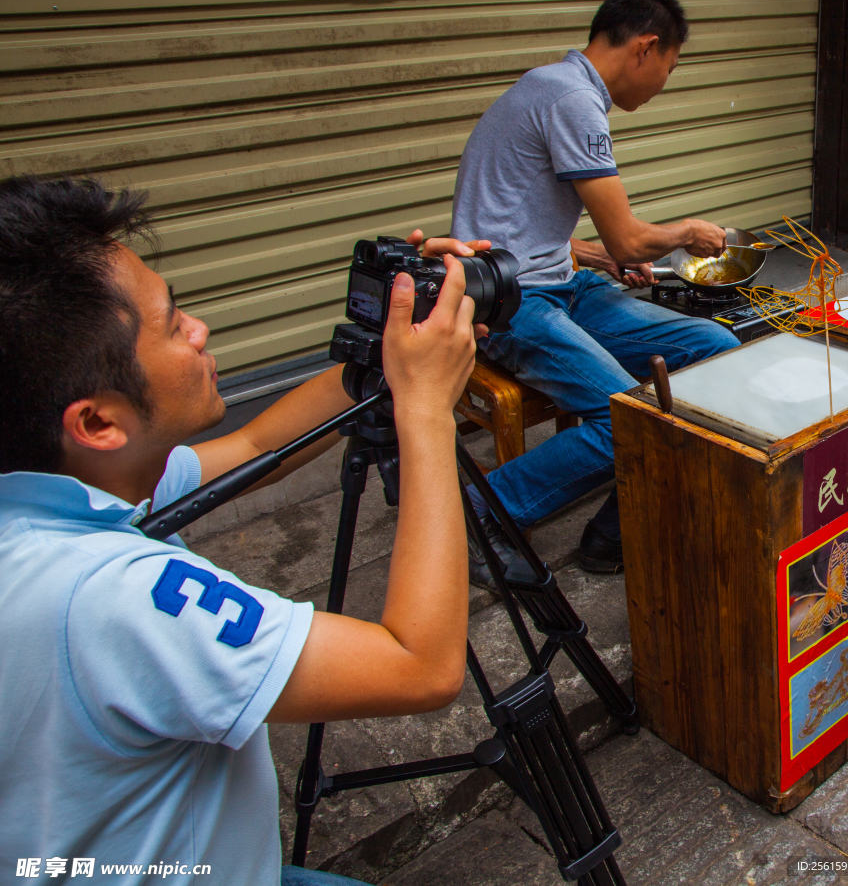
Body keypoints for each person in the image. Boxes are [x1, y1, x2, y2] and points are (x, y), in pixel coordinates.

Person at [0, 176, 485, 885]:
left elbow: (256, 447)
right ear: (99, 422)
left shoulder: (58, 493)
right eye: (171, 324)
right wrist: (427, 410)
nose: (198, 329)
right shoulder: (110, 600)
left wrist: (396, 344)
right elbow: (420, 663)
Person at [451, 0, 740, 585]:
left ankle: (612, 531)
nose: (665, 81)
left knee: (717, 349)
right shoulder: (572, 101)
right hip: (509, 303)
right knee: (626, 420)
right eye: (671, 65)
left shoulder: (551, 87)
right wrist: (688, 231)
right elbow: (630, 240)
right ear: (646, 47)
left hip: (559, 283)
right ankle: (472, 512)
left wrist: (591, 256)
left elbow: (520, 224)